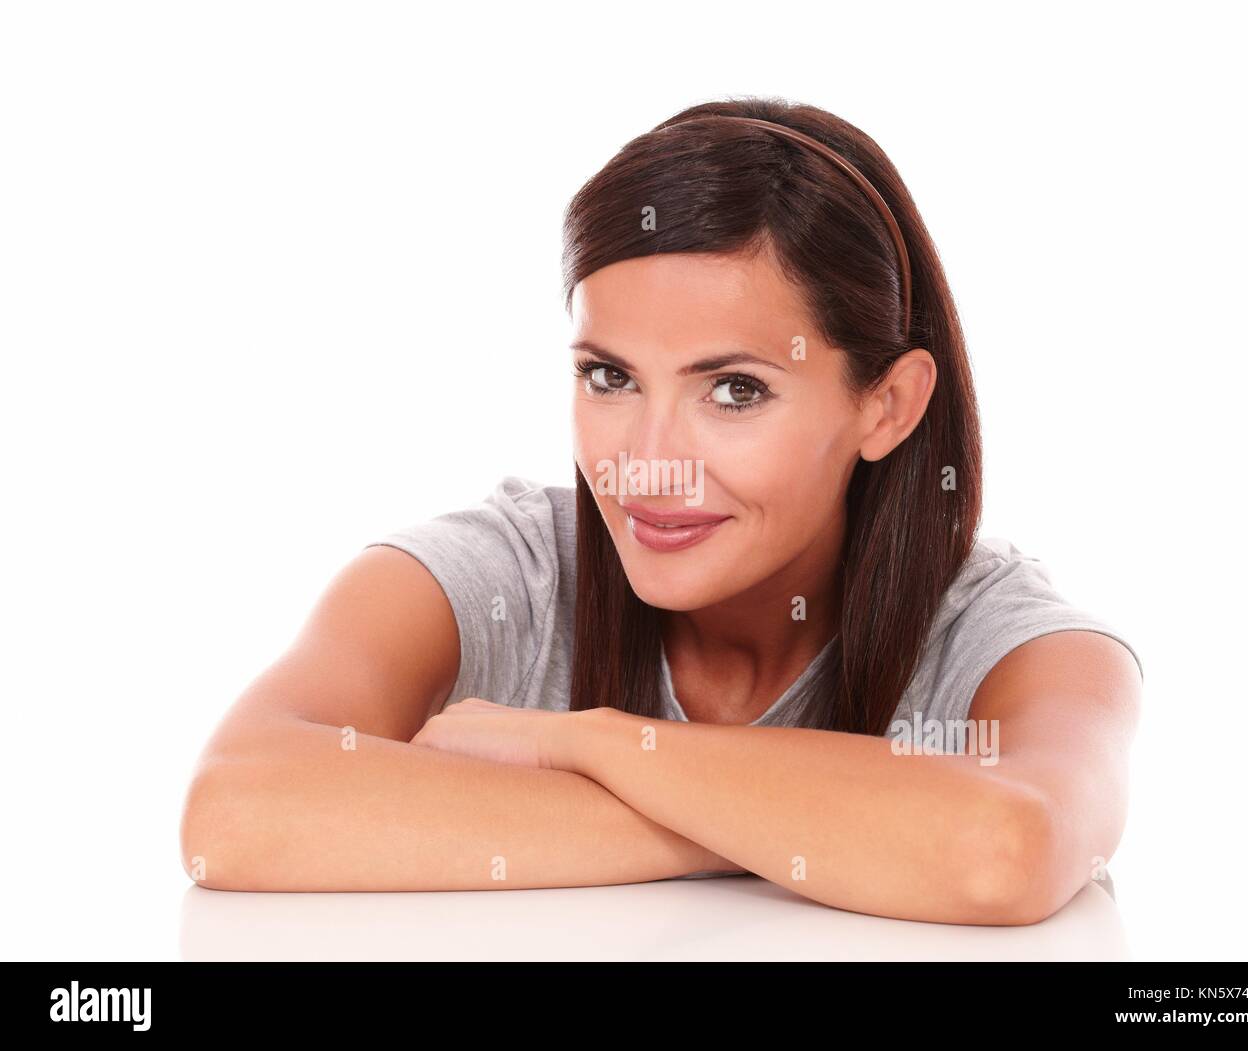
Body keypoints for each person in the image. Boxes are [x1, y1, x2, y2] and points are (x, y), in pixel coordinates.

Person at [180, 98, 1143, 925]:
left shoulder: (1007, 637)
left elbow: (1002, 847)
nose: (646, 468)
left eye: (733, 391)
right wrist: (809, 827)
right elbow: (235, 807)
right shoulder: (507, 573)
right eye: (610, 377)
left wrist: (583, 742)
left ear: (885, 406)